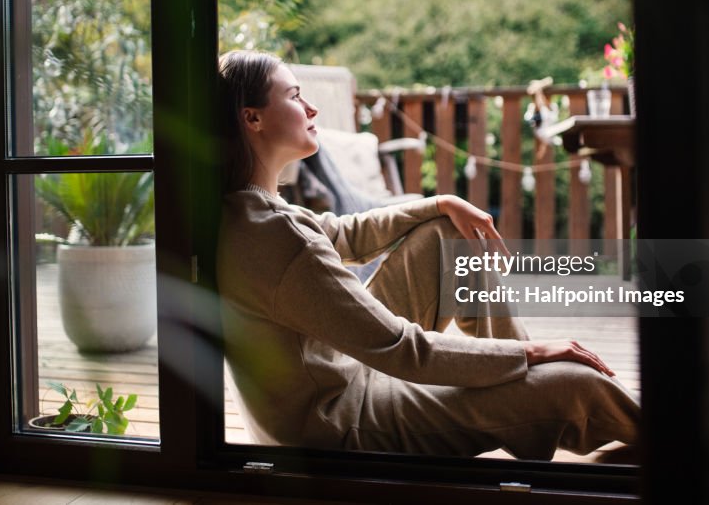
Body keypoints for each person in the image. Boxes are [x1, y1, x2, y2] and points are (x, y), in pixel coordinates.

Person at [216, 49, 639, 459]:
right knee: (575, 383)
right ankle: (679, 441)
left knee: (446, 237)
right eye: (293, 96)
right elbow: (405, 351)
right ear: (252, 118)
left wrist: (439, 204)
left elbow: (342, 233)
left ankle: (519, 379)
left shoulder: (248, 211)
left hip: (321, 395)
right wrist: (536, 352)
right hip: (336, 424)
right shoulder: (279, 236)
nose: (311, 108)